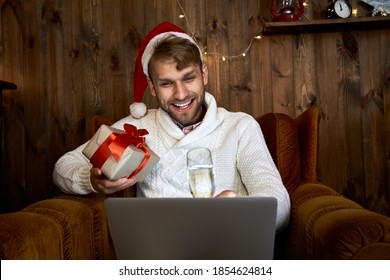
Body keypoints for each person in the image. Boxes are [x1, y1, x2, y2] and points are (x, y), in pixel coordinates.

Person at [53, 22, 290, 231]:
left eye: (189, 78)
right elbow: (63, 167)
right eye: (167, 83)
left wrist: (240, 211)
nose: (181, 94)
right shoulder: (136, 129)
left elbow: (276, 197)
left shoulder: (239, 127)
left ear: (204, 74)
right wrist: (92, 181)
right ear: (152, 86)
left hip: (225, 252)